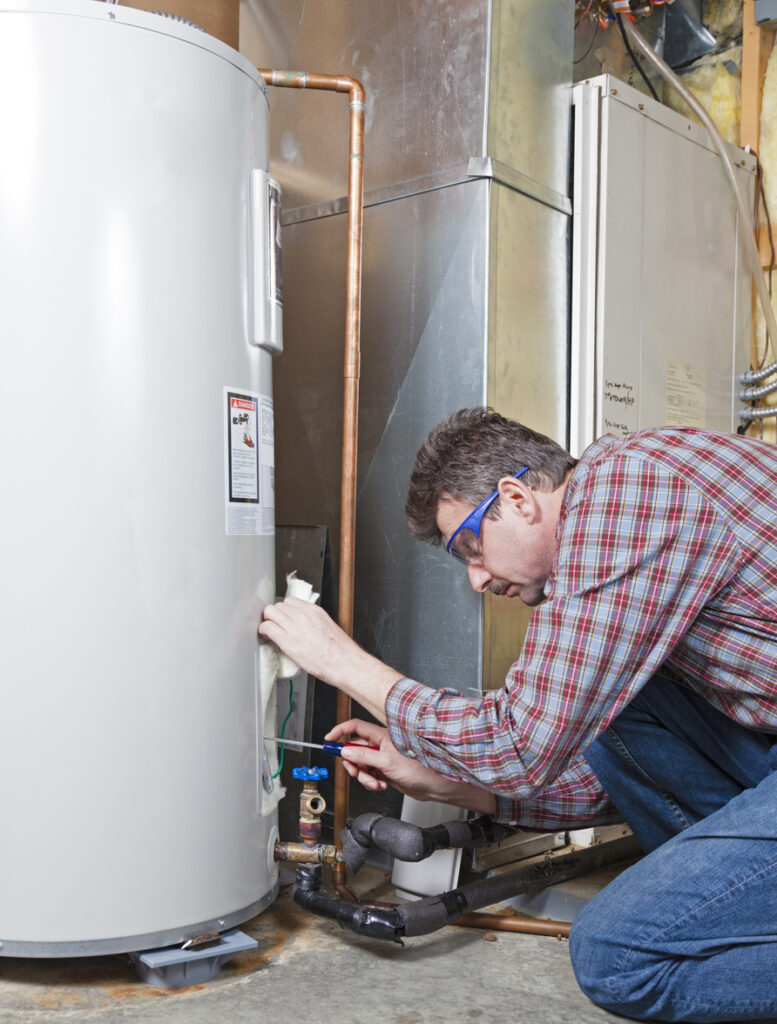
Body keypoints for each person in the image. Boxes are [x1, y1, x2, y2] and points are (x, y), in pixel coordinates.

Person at [259, 407, 777, 1024]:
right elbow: (605, 773)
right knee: (608, 712)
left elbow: (520, 745)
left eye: (471, 549)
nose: (476, 578)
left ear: (517, 498)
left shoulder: (629, 500)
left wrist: (343, 663)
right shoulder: (626, 491)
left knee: (619, 956)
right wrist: (443, 782)